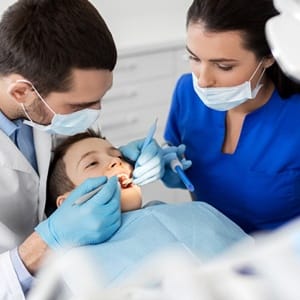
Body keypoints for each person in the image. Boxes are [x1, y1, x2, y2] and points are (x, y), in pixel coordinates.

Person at [0, 1, 164, 298]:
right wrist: (46, 242)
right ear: (22, 92)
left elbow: (41, 168)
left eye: (100, 99)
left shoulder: (33, 111)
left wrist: (116, 156)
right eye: (79, 106)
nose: (95, 113)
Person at [162, 0, 300, 234]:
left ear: (268, 57)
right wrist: (164, 162)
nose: (203, 80)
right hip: (211, 247)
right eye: (194, 58)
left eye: (224, 66)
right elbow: (175, 152)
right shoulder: (187, 92)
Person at [46, 130, 248, 288]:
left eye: (117, 155)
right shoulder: (80, 265)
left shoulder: (194, 211)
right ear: (68, 203)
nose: (116, 161)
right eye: (92, 163)